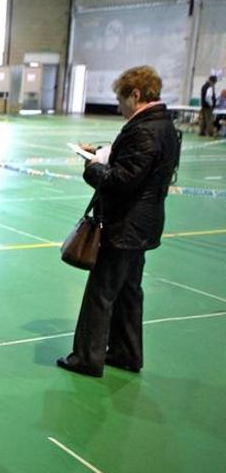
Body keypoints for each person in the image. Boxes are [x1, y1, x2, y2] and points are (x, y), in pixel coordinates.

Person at [57, 66, 180, 378]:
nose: (118, 105)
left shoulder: (144, 129)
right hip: (141, 226)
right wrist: (101, 153)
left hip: (124, 225)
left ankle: (87, 358)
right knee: (128, 291)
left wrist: (91, 168)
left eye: (120, 98)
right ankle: (127, 352)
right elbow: (136, 165)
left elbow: (124, 179)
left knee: (101, 293)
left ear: (135, 95)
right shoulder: (161, 124)